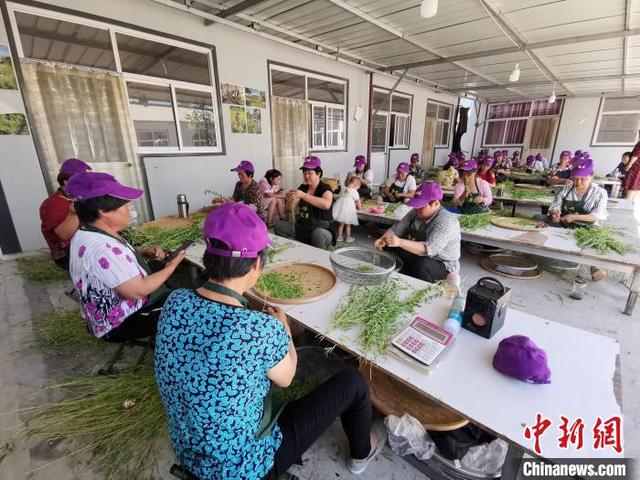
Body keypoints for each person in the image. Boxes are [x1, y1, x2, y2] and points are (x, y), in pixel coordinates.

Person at [155, 203, 384, 480]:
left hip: (189, 451)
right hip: (243, 469)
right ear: (256, 264)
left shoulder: (175, 301)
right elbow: (286, 377)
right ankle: (362, 453)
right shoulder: (257, 328)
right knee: (353, 382)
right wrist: (284, 329)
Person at [65, 172, 185, 341]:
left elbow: (111, 261)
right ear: (102, 211)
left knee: (161, 270)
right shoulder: (102, 248)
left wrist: (141, 252)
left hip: (110, 311)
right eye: (124, 206)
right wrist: (172, 266)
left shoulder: (87, 232)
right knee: (189, 306)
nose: (129, 210)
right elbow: (138, 291)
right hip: (121, 322)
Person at [374, 182, 460, 283]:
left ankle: (423, 290)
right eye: (416, 205)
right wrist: (382, 239)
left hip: (440, 262)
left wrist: (400, 242)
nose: (417, 208)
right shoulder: (415, 212)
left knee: (422, 265)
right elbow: (396, 229)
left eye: (421, 205)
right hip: (417, 255)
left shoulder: (446, 220)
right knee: (387, 245)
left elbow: (429, 249)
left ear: (436, 203)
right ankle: (399, 276)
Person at [39, 158, 92, 270]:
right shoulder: (53, 204)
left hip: (86, 242)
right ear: (67, 182)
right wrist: (74, 213)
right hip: (68, 253)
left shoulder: (80, 197)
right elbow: (64, 235)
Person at [274, 156, 334, 249]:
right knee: (279, 225)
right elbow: (289, 209)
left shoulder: (325, 188)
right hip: (302, 228)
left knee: (318, 234)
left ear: (318, 174)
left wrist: (303, 196)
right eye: (304, 172)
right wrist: (290, 200)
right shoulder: (303, 187)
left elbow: (326, 205)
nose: (306, 176)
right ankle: (292, 249)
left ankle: (319, 257)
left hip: (322, 229)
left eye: (310, 173)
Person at [535, 159, 607, 229]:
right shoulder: (566, 189)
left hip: (587, 227)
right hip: (564, 223)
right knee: (537, 217)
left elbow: (597, 215)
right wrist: (554, 214)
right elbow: (555, 206)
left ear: (591, 177)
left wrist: (574, 217)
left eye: (583, 179)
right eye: (575, 179)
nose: (578, 182)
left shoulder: (600, 193)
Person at [333, 176, 362, 243]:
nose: (357, 189)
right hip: (349, 210)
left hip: (341, 209)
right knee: (348, 224)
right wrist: (360, 208)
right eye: (357, 188)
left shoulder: (343, 188)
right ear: (355, 185)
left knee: (341, 224)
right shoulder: (354, 191)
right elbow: (358, 201)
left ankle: (339, 237)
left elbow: (340, 196)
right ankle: (348, 238)